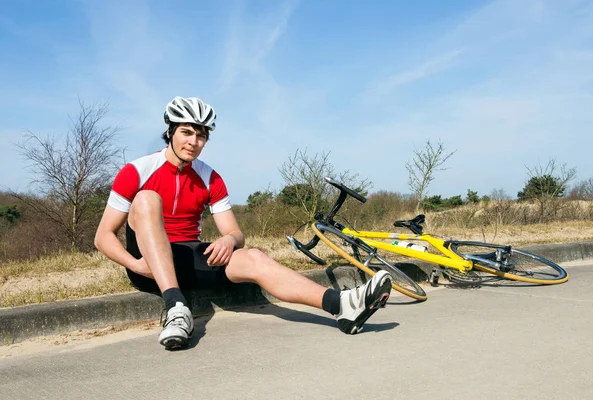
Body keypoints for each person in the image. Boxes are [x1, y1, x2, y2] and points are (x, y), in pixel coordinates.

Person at [94, 96, 392, 349]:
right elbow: (104, 236)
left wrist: (228, 240)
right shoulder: (137, 170)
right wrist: (134, 264)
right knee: (147, 199)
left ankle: (342, 305)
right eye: (186, 132)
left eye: (201, 136)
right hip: (146, 262)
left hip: (187, 256)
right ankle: (176, 308)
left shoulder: (210, 177)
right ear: (170, 131)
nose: (194, 142)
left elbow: (235, 233)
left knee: (253, 257)